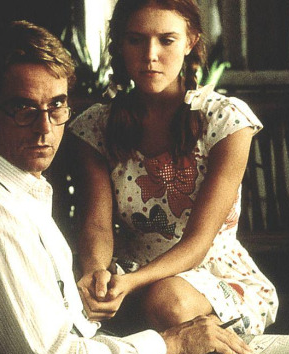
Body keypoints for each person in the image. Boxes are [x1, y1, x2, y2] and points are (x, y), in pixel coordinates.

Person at [0, 18, 252, 354]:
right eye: (23, 109)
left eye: (56, 106)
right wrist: (170, 343)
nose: (44, 129)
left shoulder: (17, 193)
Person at [69, 0, 278, 335]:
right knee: (73, 301)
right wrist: (97, 274)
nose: (150, 55)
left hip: (206, 273)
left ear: (190, 41)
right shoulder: (95, 126)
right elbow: (97, 225)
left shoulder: (225, 121)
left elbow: (198, 242)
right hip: (129, 270)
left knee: (166, 302)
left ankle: (211, 325)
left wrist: (132, 283)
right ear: (120, 43)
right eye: (136, 40)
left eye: (167, 40)